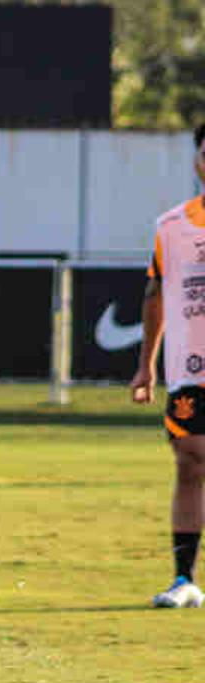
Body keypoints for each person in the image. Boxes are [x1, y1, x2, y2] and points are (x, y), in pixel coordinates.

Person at [131, 120, 205, 609]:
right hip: (189, 371)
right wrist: (146, 365)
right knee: (190, 459)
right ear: (199, 159)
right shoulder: (171, 226)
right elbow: (155, 297)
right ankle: (184, 580)